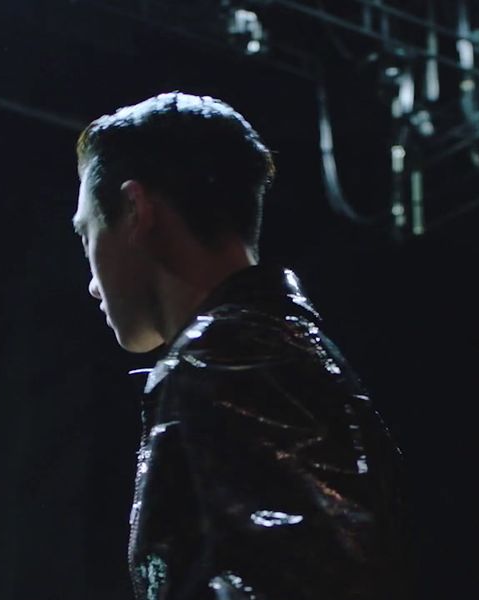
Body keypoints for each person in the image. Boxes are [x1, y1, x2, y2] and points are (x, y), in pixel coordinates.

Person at [70, 91, 413, 600]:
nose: (93, 285)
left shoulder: (234, 360)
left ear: (137, 209)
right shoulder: (269, 353)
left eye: (87, 234)